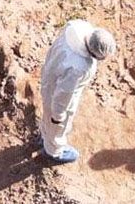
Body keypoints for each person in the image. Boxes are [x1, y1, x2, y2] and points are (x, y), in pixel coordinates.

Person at [38, 19, 116, 164]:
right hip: (57, 97)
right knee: (57, 126)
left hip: (49, 76)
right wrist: (59, 115)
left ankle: (43, 135)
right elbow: (64, 94)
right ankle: (54, 151)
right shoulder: (78, 67)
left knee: (46, 114)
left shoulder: (76, 28)